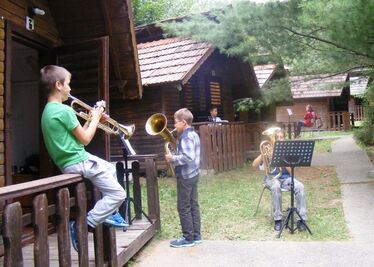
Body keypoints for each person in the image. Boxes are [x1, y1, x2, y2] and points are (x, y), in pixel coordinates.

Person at [40, 65, 128, 252]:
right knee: (119, 194)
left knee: (111, 168)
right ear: (58, 85)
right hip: (79, 162)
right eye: (68, 85)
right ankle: (85, 225)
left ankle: (111, 213)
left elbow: (78, 139)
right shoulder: (64, 111)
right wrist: (96, 117)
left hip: (70, 162)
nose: (70, 89)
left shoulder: (48, 111)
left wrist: (91, 119)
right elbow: (86, 139)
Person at [252, 129, 308, 232]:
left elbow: (292, 172)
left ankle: (302, 219)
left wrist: (282, 159)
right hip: (271, 179)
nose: (278, 139)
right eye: (276, 137)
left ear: (284, 139)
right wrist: (262, 153)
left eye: (281, 137)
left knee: (300, 186)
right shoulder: (267, 151)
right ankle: (278, 219)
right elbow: (254, 165)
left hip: (286, 178)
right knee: (276, 186)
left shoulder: (287, 152)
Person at [165, 108, 202, 248]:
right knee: (193, 205)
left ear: (183, 122)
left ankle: (188, 238)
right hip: (194, 174)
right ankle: (196, 235)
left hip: (186, 176)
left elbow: (188, 157)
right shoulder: (194, 134)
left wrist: (172, 158)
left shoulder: (186, 137)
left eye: (176, 122)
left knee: (183, 207)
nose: (174, 125)